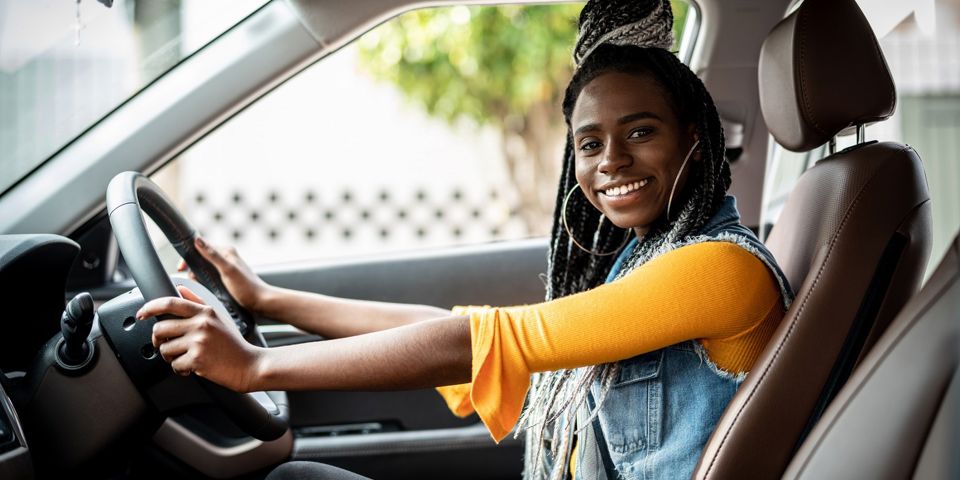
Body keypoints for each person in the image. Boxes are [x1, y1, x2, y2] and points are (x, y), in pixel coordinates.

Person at [136, 1, 793, 479]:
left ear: (697, 145)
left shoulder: (719, 269)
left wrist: (254, 367)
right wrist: (270, 300)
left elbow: (481, 342)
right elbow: (460, 336)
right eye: (589, 143)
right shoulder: (645, 257)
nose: (610, 161)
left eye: (642, 131)